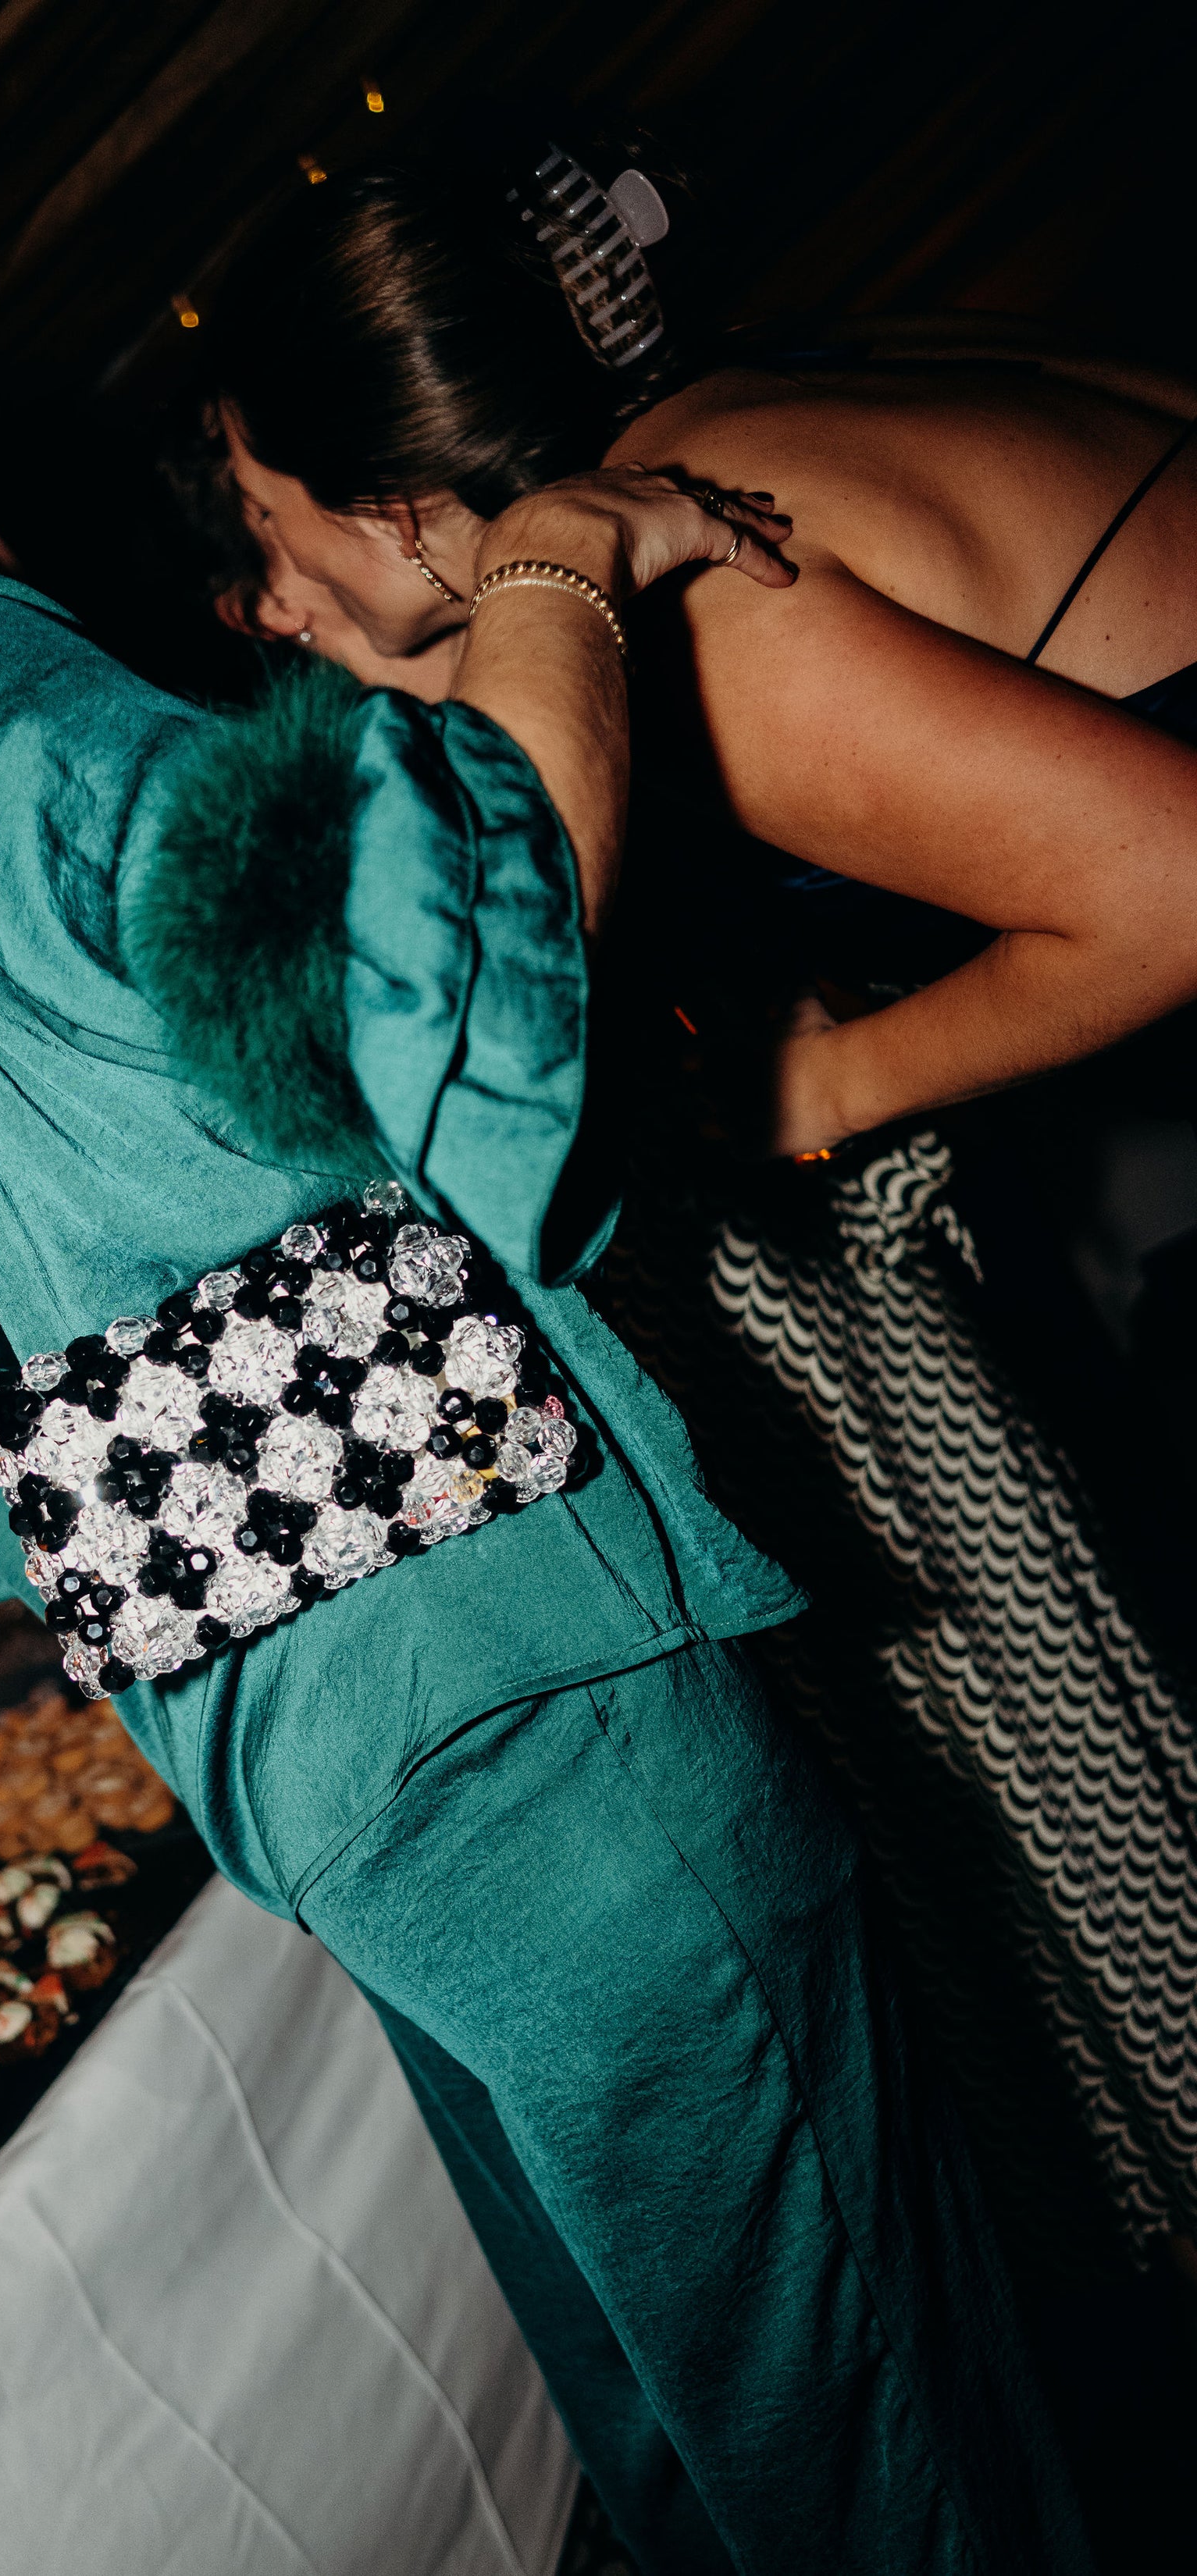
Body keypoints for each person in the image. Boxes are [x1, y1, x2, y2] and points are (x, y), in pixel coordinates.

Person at [0, 368, 1095, 2576]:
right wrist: (557, 555)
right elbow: (438, 934)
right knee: (893, 2442)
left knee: (702, 2467)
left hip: (339, 1806)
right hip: (539, 1713)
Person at [181, 139, 1197, 2311]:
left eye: (267, 537)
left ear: (393, 510)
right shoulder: (730, 429)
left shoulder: (710, 608)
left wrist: (831, 1084)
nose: (261, 605)